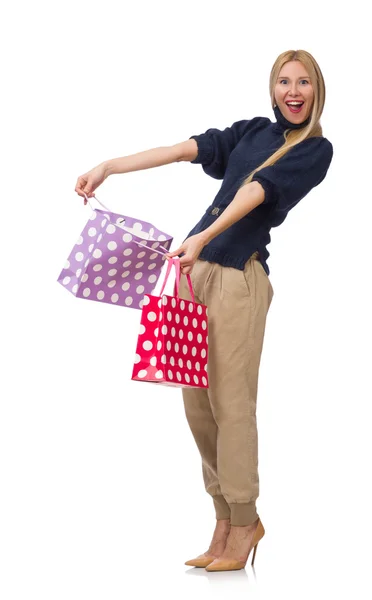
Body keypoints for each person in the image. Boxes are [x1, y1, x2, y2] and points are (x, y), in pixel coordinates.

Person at [75, 49, 333, 572]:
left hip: (238, 277)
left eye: (303, 82)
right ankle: (223, 519)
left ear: (316, 90)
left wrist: (203, 235)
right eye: (284, 81)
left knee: (232, 405)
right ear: (273, 88)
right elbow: (179, 150)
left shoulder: (316, 149)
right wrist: (109, 166)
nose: (293, 91)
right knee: (198, 405)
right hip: (195, 274)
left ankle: (245, 520)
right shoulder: (253, 131)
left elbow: (258, 192)